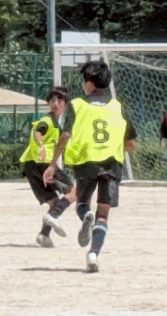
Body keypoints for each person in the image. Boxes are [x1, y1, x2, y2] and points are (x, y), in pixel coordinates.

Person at [45, 60, 136, 273]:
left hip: (86, 163)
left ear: (90, 84)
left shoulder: (77, 105)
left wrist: (52, 164)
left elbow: (65, 136)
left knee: (82, 202)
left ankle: (86, 215)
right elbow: (131, 144)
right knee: (103, 214)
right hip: (112, 164)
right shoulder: (118, 107)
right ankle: (93, 254)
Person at [19, 87, 73, 247]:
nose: (55, 103)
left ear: (65, 104)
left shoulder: (56, 124)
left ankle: (44, 235)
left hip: (30, 165)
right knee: (73, 191)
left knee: (54, 201)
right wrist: (41, 146)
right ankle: (54, 216)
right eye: (52, 100)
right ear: (48, 104)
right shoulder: (47, 121)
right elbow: (38, 132)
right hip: (43, 163)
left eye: (59, 100)